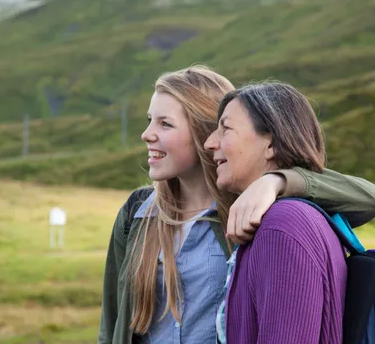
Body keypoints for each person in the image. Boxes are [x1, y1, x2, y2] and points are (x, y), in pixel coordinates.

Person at [98, 66, 375, 344]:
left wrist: (279, 180)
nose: (147, 134)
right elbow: (111, 324)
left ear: (204, 129)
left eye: (165, 124)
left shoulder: (250, 209)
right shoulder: (137, 213)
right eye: (149, 120)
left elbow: (368, 198)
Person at [205, 82, 349, 343]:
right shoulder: (279, 220)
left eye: (225, 129)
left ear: (270, 143)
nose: (209, 143)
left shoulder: (283, 225)